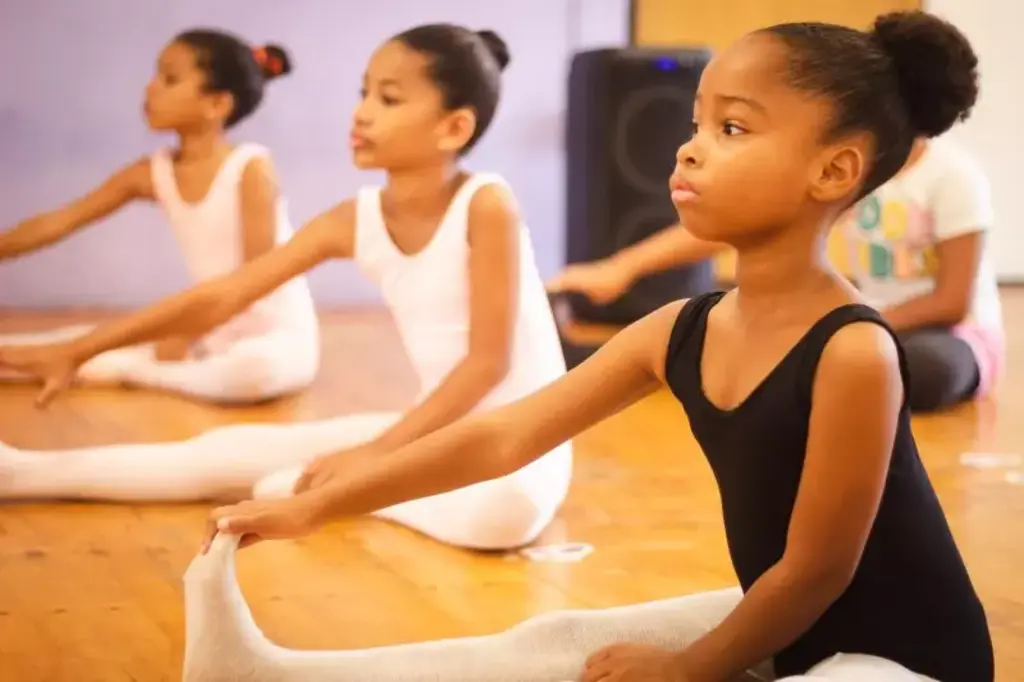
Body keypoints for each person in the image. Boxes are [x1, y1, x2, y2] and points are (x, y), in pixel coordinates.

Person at [194, 11, 994, 682]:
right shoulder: (684, 329)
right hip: (798, 627)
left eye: (733, 127)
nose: (689, 149)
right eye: (696, 123)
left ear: (835, 170)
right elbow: (505, 434)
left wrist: (687, 669)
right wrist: (318, 504)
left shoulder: (856, 352)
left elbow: (819, 570)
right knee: (554, 642)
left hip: (904, 658)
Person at [0, 24, 573, 552]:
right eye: (364, 93)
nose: (362, 113)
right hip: (437, 431)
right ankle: (18, 471)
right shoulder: (355, 217)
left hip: (515, 459)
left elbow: (487, 365)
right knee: (224, 455)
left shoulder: (486, 205)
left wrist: (379, 453)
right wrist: (82, 348)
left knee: (500, 510)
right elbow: (225, 295)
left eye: (389, 99)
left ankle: (336, 494)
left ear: (454, 127)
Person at [549, 143, 1003, 415]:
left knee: (919, 371)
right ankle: (593, 360)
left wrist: (852, 324)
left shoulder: (953, 175)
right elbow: (738, 226)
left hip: (950, 339)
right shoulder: (854, 170)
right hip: (862, 322)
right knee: (727, 309)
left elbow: (952, 303)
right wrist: (620, 268)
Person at [0, 30, 321, 405]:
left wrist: (186, 332)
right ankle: (99, 359)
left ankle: (130, 369)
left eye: (170, 79)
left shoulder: (251, 169)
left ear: (216, 103)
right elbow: (60, 220)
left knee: (253, 372)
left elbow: (252, 285)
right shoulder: (152, 172)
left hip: (272, 339)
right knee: (64, 342)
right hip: (207, 330)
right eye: (155, 76)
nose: (151, 89)